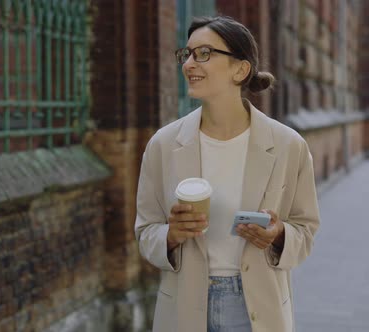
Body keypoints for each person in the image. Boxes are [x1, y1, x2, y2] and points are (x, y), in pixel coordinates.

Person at [134, 15, 320, 332]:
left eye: (204, 53)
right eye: (187, 53)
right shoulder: (163, 145)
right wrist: (171, 235)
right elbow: (145, 230)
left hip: (256, 306)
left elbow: (305, 230)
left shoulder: (289, 145)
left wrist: (277, 235)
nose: (189, 64)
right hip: (184, 304)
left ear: (240, 69)